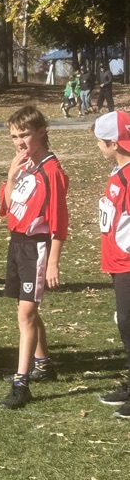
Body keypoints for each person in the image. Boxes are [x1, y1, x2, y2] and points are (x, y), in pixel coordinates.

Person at [0, 106, 69, 410]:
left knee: (25, 315)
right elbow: (7, 207)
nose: (19, 141)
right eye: (14, 136)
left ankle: (21, 383)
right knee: (26, 310)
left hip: (37, 246)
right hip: (17, 244)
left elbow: (58, 222)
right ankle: (43, 364)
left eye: (24, 134)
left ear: (41, 131)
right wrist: (11, 175)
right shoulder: (24, 164)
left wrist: (53, 261)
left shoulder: (52, 171)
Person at [93, 111, 130, 419]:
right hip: (117, 262)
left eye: (100, 143)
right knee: (124, 323)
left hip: (128, 263)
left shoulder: (128, 175)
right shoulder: (119, 173)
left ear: (112, 143)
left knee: (129, 324)